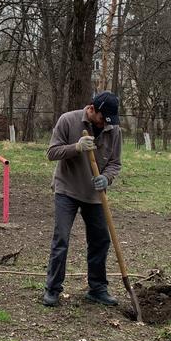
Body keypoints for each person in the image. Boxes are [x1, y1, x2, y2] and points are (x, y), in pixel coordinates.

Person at [42, 91, 123, 308]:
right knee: (62, 239)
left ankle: (97, 289)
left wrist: (106, 178)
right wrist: (76, 147)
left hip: (95, 194)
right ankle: (52, 288)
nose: (104, 125)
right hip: (66, 189)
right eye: (101, 119)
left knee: (100, 240)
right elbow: (51, 153)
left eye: (109, 122)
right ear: (91, 109)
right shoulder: (68, 120)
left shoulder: (113, 130)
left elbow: (115, 162)